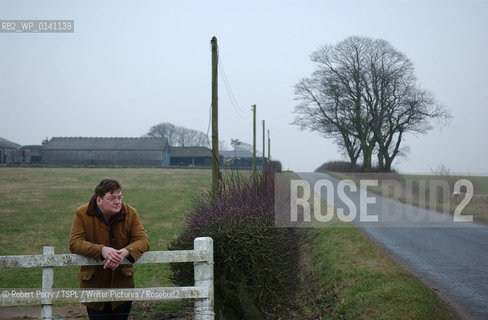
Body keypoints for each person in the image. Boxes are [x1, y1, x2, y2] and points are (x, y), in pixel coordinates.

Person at [69, 179, 150, 320]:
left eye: (119, 197)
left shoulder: (130, 213)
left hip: (123, 286)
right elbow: (75, 243)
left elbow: (143, 240)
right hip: (94, 287)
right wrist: (102, 250)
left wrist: (125, 252)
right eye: (112, 198)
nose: (117, 202)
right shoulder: (82, 213)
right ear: (99, 200)